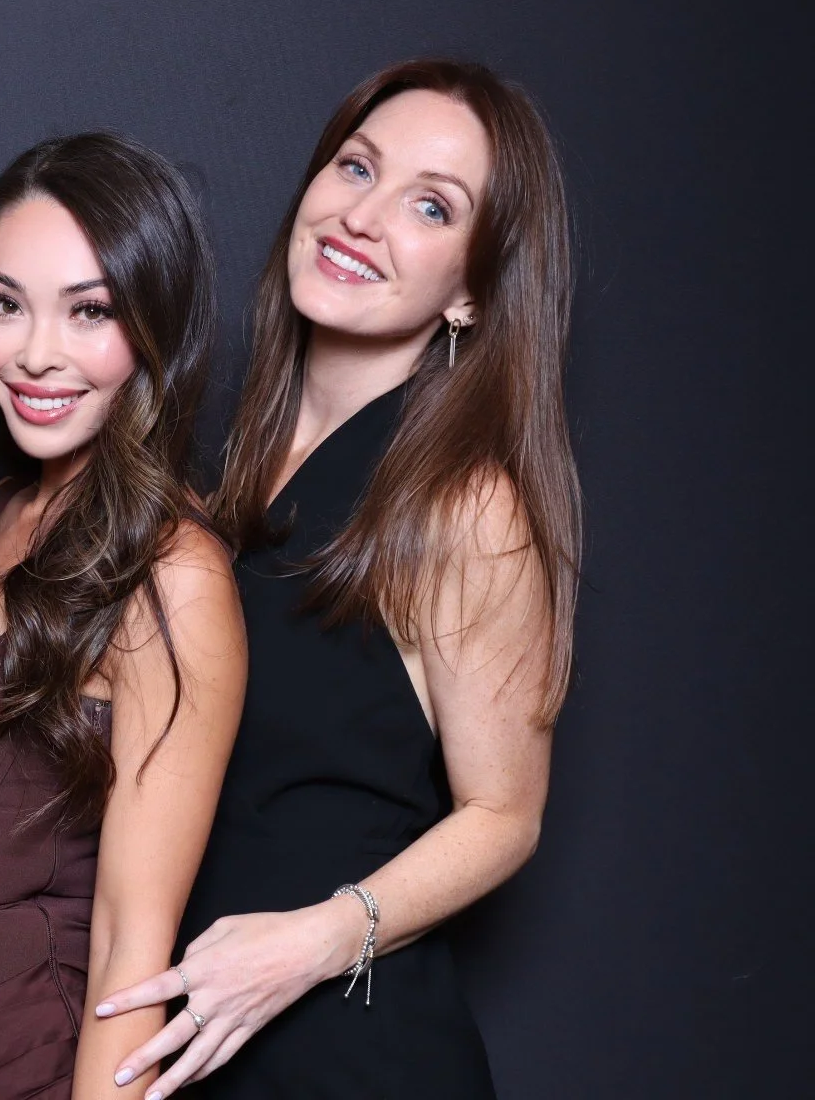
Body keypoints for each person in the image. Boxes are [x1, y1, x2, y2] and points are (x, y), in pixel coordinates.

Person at [93, 60, 583, 1098]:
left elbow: (505, 812)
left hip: (350, 1054)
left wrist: (314, 943)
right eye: (355, 166)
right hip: (194, 1046)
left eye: (430, 205)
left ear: (473, 289)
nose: (363, 215)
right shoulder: (220, 474)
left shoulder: (465, 502)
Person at [0, 132, 247, 1099]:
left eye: (90, 312)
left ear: (156, 328)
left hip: (40, 1047)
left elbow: (130, 942)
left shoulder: (174, 569)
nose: (36, 353)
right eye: (4, 304)